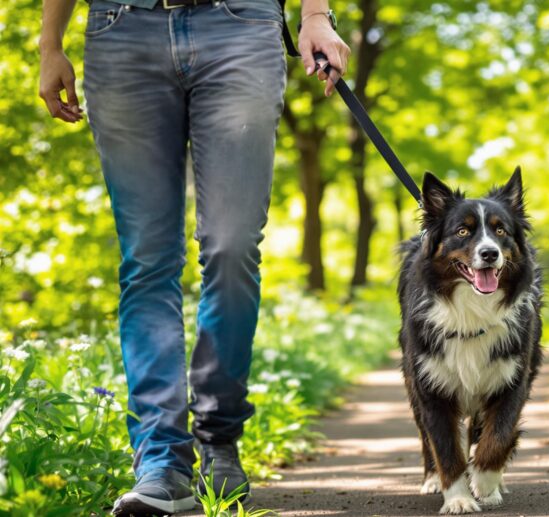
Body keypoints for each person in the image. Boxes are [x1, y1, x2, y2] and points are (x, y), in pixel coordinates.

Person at [38, 0, 349, 514]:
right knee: (146, 260)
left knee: (232, 247)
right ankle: (161, 460)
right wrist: (50, 44)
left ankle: (219, 439)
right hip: (121, 29)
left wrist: (315, 14)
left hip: (240, 25)